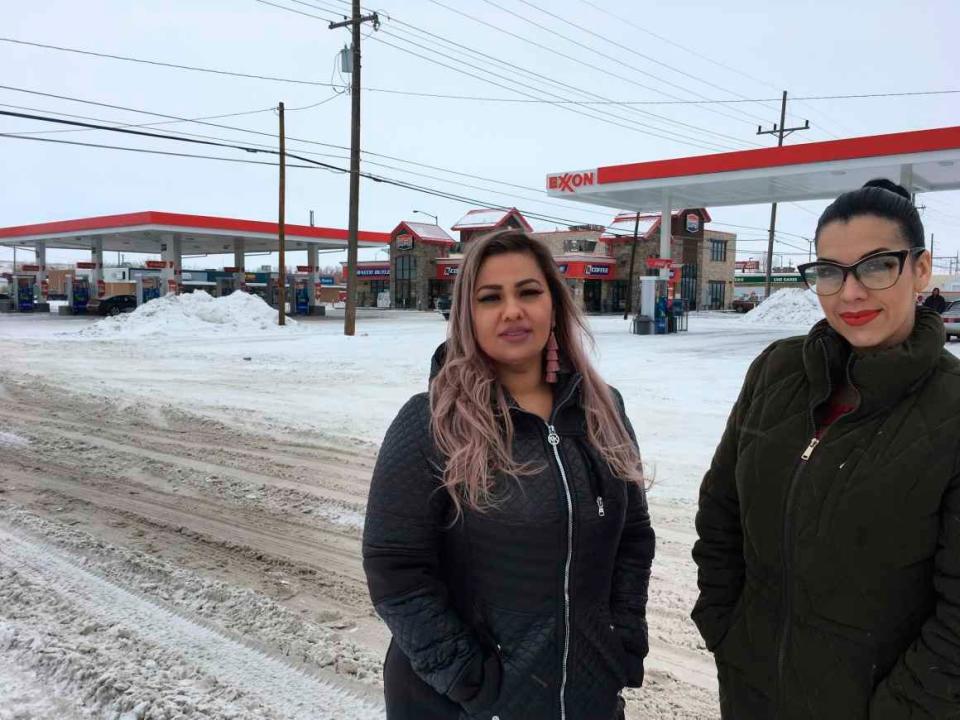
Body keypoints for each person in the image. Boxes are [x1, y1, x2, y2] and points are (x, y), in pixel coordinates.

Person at [692, 178, 960, 719]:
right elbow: (721, 512)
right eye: (831, 272)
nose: (851, 292)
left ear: (921, 270)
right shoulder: (776, 372)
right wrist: (724, 626)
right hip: (752, 694)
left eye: (878, 265)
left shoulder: (951, 410)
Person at [363, 229, 655, 720]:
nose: (513, 311)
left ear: (554, 304)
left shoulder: (604, 409)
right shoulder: (430, 422)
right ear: (466, 316)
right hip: (465, 705)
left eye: (528, 292)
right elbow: (395, 569)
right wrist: (469, 680)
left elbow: (632, 537)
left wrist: (622, 640)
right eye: (490, 297)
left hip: (585, 697)